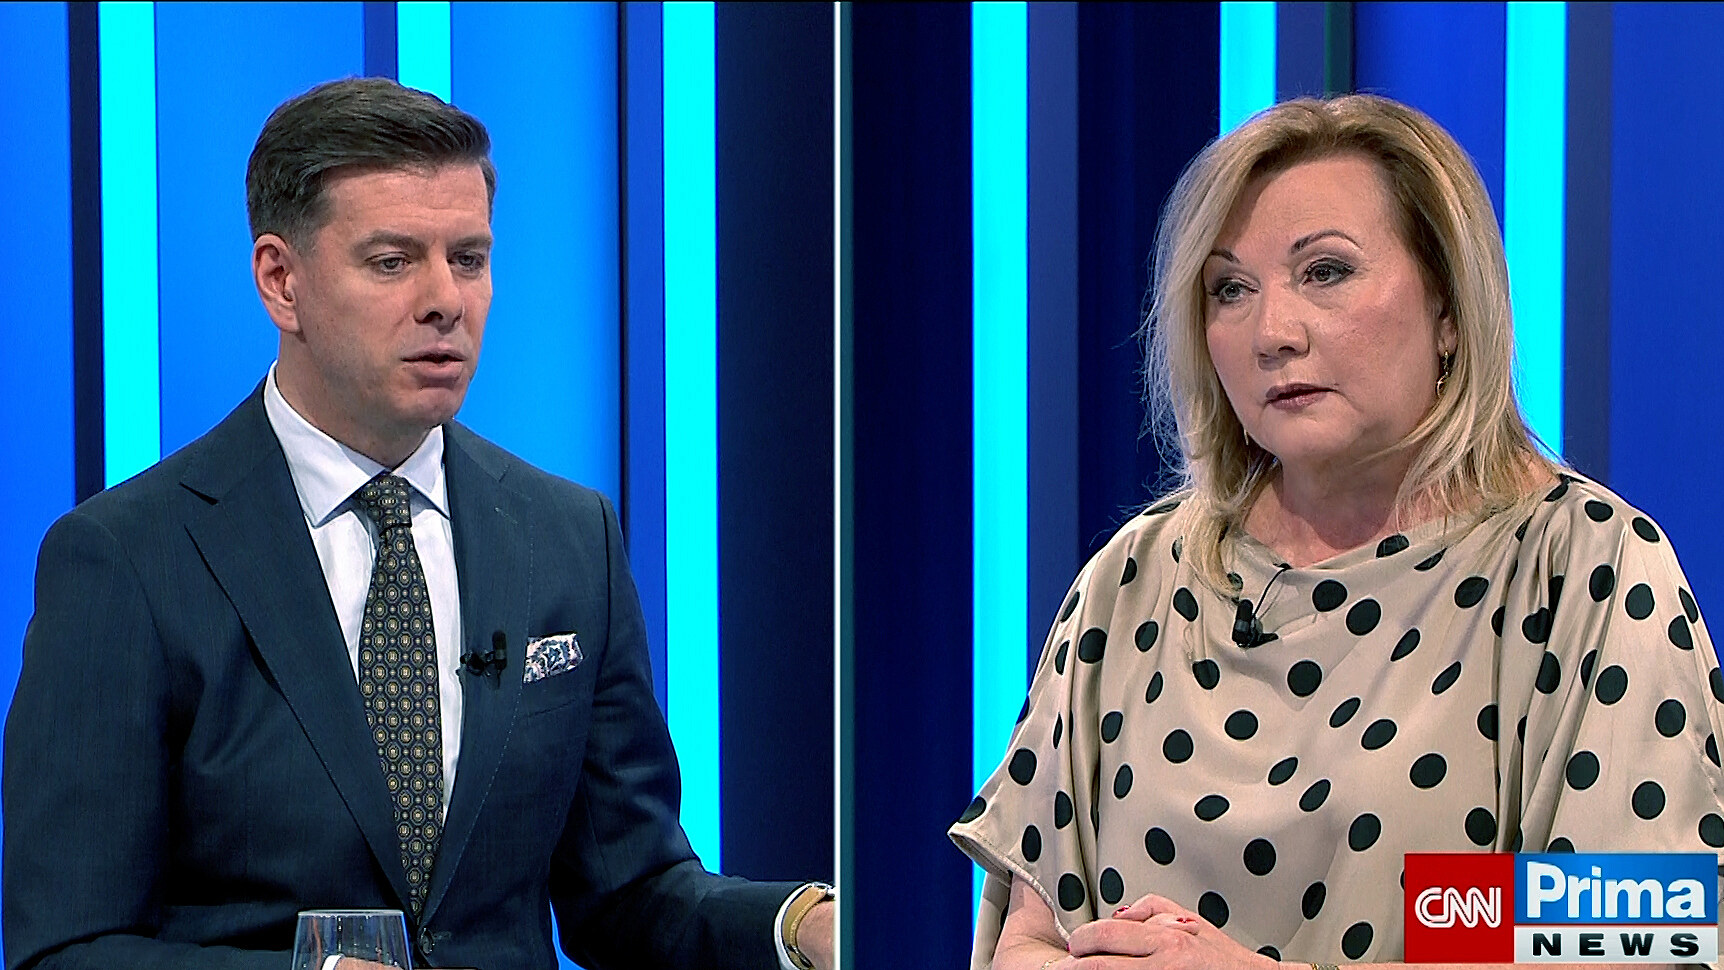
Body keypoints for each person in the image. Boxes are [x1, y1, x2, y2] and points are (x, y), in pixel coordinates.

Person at [3, 77, 833, 970]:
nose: (446, 300)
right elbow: (66, 949)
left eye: (468, 258)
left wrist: (801, 928)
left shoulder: (567, 537)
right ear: (281, 282)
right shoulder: (128, 559)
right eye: (393, 261)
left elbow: (629, 893)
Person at [950, 94, 1724, 969]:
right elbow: (1024, 942)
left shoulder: (1584, 572)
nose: (1272, 334)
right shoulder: (1131, 582)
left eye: (1325, 272)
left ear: (1448, 308)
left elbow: (1632, 948)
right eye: (1230, 289)